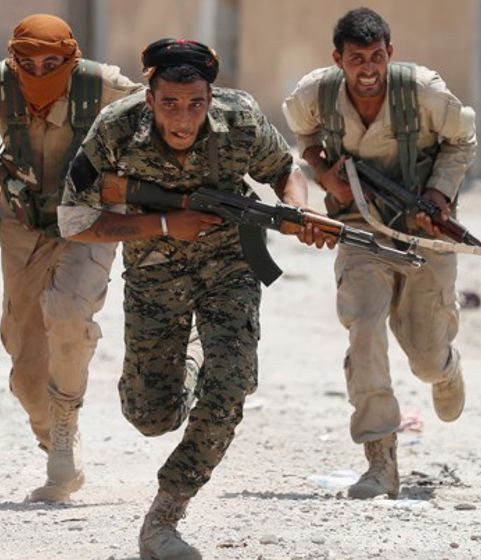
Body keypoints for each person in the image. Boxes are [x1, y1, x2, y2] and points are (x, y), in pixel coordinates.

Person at [58, 38, 326, 559]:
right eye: (170, 103)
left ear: (211, 94)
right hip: (154, 276)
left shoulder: (241, 117)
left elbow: (285, 170)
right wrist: (162, 222)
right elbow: (74, 220)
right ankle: (191, 359)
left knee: (231, 385)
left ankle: (165, 517)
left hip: (232, 266)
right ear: (149, 95)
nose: (183, 119)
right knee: (150, 416)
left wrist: (298, 209)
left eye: (196, 103)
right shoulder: (115, 127)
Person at [0, 14, 161, 502]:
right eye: (27, 62)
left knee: (66, 311)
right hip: (24, 221)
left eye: (51, 63)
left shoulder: (100, 84)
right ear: (11, 59)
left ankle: (64, 434)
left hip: (91, 218)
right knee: (23, 365)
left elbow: (160, 118)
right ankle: (53, 436)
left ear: (72, 58)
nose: (39, 73)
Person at [283, 7, 476, 499]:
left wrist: (438, 196)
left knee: (426, 358)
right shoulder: (315, 95)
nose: (367, 70)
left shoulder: (424, 92)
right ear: (338, 59)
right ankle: (380, 459)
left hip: (421, 232)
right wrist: (324, 173)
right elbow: (303, 137)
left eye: (375, 57)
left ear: (390, 53)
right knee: (365, 328)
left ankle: (446, 369)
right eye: (356, 59)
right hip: (358, 229)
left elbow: (461, 140)